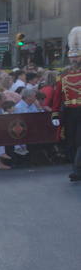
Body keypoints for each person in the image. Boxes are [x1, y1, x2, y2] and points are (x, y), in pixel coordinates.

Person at [53, 26, 81, 181]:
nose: (74, 60)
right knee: (71, 142)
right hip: (70, 112)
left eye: (77, 57)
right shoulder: (63, 75)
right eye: (72, 57)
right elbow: (58, 96)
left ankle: (77, 170)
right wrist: (55, 113)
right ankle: (77, 169)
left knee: (80, 141)